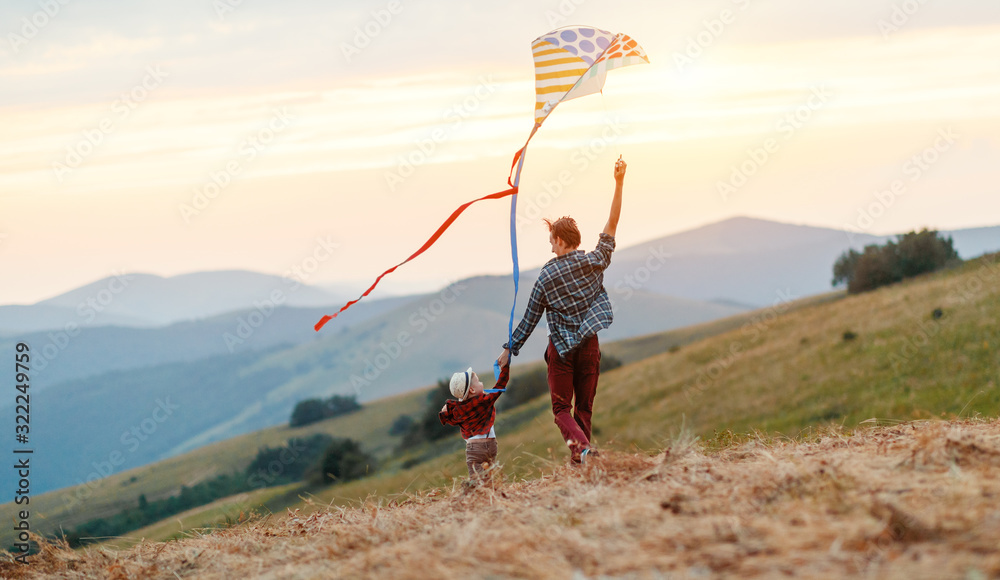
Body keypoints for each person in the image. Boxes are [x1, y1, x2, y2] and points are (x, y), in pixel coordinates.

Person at [497, 157, 626, 463]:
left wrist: (508, 350)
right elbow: (612, 224)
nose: (550, 247)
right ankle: (582, 463)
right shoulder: (594, 261)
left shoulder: (546, 276)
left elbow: (529, 319)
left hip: (562, 351)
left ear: (560, 240)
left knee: (560, 410)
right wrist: (619, 182)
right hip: (590, 346)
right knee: (584, 409)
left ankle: (582, 450)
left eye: (551, 241)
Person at [438, 358, 511, 478]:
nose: (481, 383)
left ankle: (483, 494)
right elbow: (500, 385)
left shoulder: (459, 409)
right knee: (490, 478)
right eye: (479, 381)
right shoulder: (485, 401)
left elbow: (449, 418)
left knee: (477, 482)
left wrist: (445, 411)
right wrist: (505, 367)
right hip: (492, 446)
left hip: (474, 449)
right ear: (472, 389)